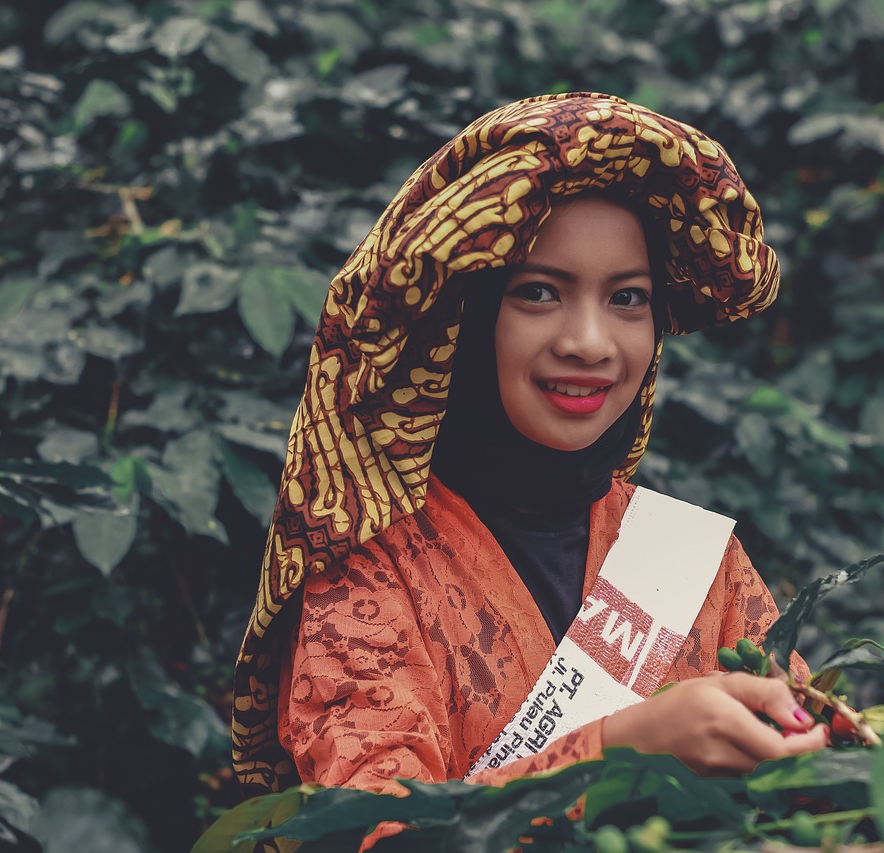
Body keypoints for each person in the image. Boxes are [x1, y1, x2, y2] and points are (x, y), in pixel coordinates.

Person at [230, 93, 826, 814]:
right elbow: (369, 830)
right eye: (539, 292)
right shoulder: (370, 570)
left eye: (628, 298)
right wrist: (618, 750)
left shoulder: (698, 565)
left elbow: (812, 774)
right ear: (467, 318)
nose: (590, 342)